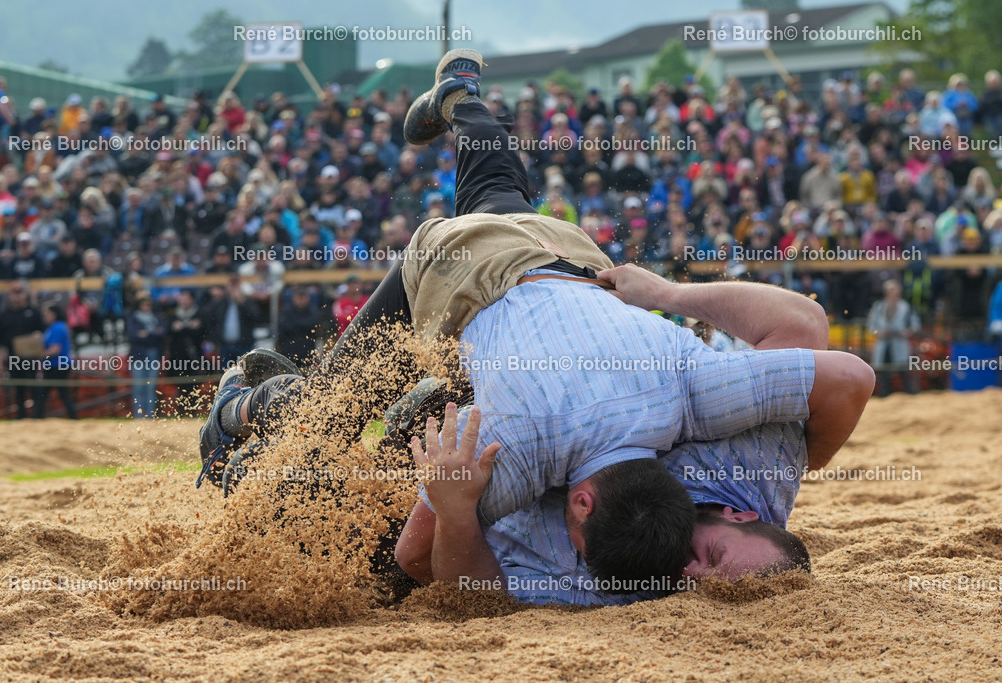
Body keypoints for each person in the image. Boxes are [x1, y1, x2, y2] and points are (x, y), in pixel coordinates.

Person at [197, 50, 874, 590]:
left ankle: (465, 99)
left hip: (570, 265)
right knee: (320, 429)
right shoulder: (741, 439)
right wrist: (666, 292)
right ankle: (243, 405)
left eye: (707, 585)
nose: (696, 577)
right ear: (738, 510)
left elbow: (834, 370)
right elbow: (829, 355)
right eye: (713, 558)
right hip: (483, 279)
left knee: (497, 197)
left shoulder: (685, 408)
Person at [0, 280, 42, 419]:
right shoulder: (4, 315)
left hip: (30, 356)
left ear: (25, 293)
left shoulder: (33, 312)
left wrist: (38, 336)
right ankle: (20, 417)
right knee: (18, 389)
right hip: (13, 357)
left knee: (34, 387)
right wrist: (2, 353)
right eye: (14, 292)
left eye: (20, 292)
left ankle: (37, 417)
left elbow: (42, 330)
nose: (17, 296)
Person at [867, 280, 920, 396]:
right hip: (884, 343)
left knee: (903, 370)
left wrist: (907, 332)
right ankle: (884, 394)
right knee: (884, 371)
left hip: (899, 342)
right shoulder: (879, 306)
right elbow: (871, 325)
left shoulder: (905, 307)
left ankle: (908, 393)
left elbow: (915, 324)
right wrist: (879, 333)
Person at [34, 303, 78, 419]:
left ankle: (37, 417)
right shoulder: (54, 327)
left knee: (46, 393)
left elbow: (55, 349)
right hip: (54, 365)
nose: (44, 317)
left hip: (57, 365)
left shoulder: (57, 327)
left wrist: (39, 354)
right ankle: (72, 417)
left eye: (47, 314)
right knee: (59, 393)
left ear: (54, 314)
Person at [126, 292, 165, 418]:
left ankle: (150, 416)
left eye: (148, 304)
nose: (146, 307)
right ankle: (139, 416)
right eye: (143, 304)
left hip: (152, 354)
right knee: (139, 387)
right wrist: (153, 333)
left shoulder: (157, 317)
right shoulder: (133, 318)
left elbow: (162, 333)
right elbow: (133, 335)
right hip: (138, 356)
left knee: (151, 388)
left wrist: (146, 334)